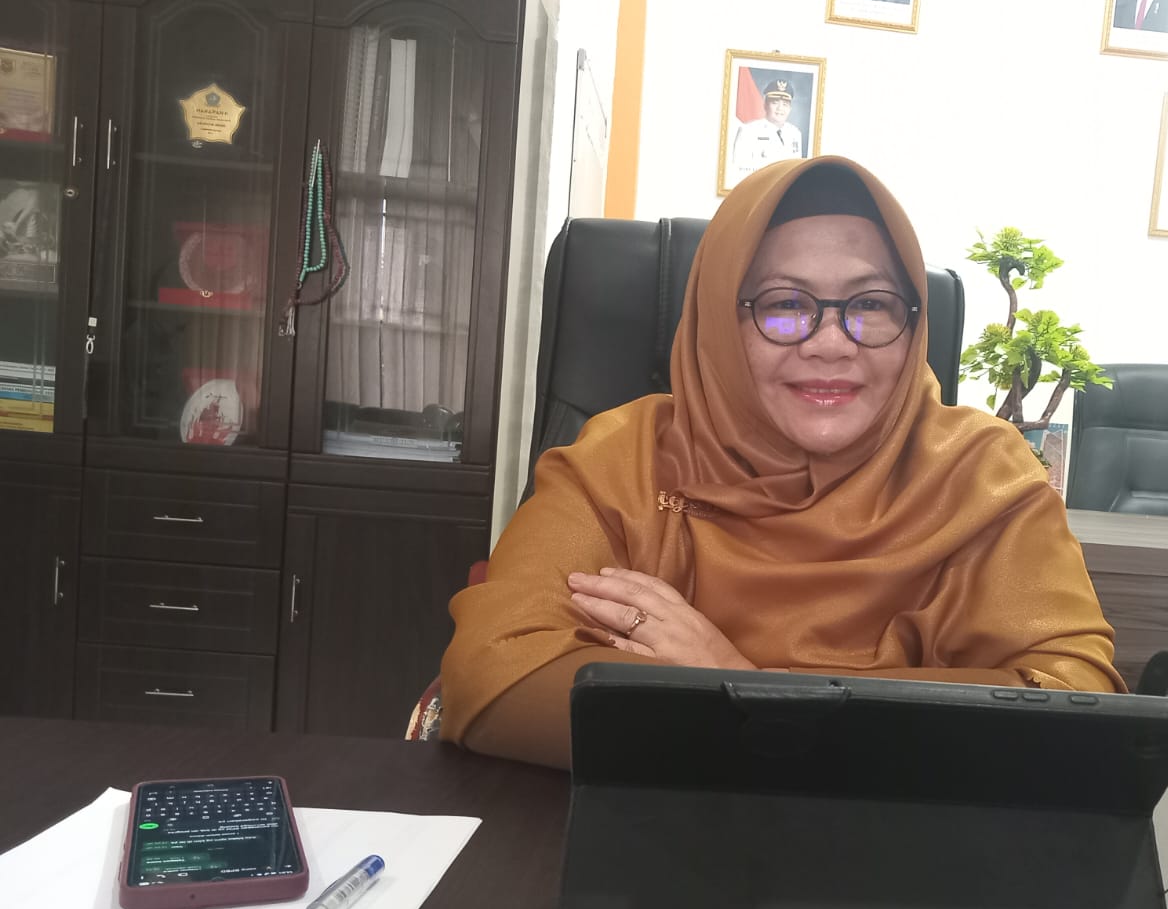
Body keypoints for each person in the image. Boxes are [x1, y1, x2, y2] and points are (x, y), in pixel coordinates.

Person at [439, 156, 1125, 767]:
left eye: (871, 304)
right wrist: (833, 734)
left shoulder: (985, 475)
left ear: (913, 324)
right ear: (720, 320)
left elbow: (1073, 701)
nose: (831, 343)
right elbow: (491, 679)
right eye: (786, 304)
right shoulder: (622, 461)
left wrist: (737, 684)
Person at [730, 80, 804, 176]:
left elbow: (797, 171)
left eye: (785, 104)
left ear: (790, 109)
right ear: (765, 105)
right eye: (775, 103)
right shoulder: (748, 131)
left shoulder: (795, 133)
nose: (780, 108)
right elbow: (738, 170)